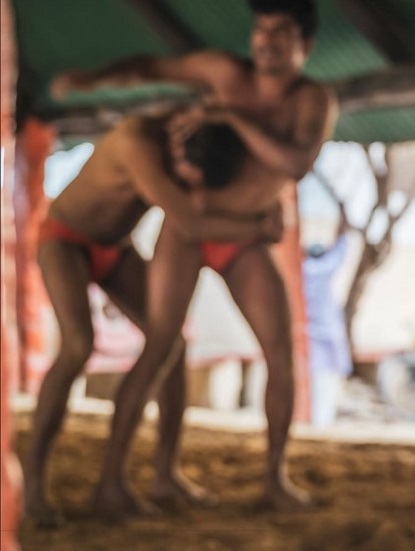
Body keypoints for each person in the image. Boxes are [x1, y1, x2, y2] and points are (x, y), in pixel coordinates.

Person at [51, 0, 336, 515]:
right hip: (191, 229)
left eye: (282, 32)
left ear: (306, 47)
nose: (266, 41)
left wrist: (229, 115)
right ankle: (112, 482)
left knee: (281, 352)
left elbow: (295, 163)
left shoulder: (313, 100)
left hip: (245, 241)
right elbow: (149, 67)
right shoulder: (220, 71)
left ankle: (273, 480)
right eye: (261, 29)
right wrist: (91, 79)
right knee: (160, 345)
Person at [25, 118, 278, 526]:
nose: (187, 185)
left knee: (171, 344)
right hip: (64, 239)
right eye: (184, 178)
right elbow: (192, 223)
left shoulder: (196, 132)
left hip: (115, 246)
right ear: (177, 146)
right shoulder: (137, 141)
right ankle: (33, 486)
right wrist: (259, 227)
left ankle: (162, 476)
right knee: (77, 346)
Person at [303, 213, 353, 427]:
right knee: (326, 386)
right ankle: (321, 424)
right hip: (327, 338)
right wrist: (343, 217)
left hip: (310, 338)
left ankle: (316, 422)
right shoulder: (325, 269)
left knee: (313, 385)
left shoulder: (302, 272)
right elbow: (342, 247)